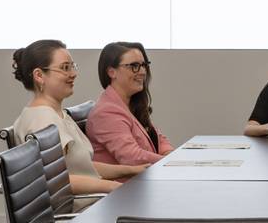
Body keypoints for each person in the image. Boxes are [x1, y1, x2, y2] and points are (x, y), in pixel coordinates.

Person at [11, 40, 145, 199]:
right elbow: (58, 181)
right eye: (65, 68)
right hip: (79, 213)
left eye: (72, 66)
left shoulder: (56, 114)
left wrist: (130, 170)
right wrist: (115, 186)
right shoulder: (43, 120)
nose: (73, 74)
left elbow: (82, 168)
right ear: (39, 76)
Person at [87, 41, 173, 171]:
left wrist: (170, 155)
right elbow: (132, 157)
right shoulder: (106, 112)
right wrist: (173, 162)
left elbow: (160, 141)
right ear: (112, 72)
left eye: (144, 65)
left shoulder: (130, 105)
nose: (143, 71)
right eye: (134, 66)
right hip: (126, 188)